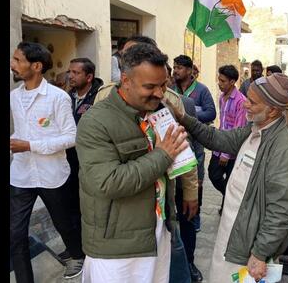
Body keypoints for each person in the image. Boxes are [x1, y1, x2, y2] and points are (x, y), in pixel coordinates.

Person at [167, 73, 288, 282]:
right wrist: (185, 119)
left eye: (252, 102)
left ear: (273, 110)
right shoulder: (254, 129)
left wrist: (259, 253)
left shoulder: (284, 147)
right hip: (231, 235)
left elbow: (282, 209)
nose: (245, 105)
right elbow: (217, 138)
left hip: (248, 247)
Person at [76, 43, 190, 283]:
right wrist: (163, 155)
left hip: (157, 231)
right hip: (118, 247)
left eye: (163, 84)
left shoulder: (159, 109)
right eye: (150, 86)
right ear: (125, 81)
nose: (160, 93)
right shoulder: (96, 122)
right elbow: (108, 182)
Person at [10, 42, 84, 282]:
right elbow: (21, 131)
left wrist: (30, 145)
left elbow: (71, 137)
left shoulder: (58, 98)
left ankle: (77, 255)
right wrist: (15, 141)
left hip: (52, 175)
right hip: (21, 174)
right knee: (15, 233)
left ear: (37, 66)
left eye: (17, 60)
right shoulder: (14, 97)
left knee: (63, 224)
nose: (12, 64)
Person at [172, 54, 215, 280]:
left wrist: (190, 113)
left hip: (189, 163)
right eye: (174, 67)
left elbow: (211, 113)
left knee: (188, 216)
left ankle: (189, 262)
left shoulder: (192, 97)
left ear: (191, 70)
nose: (176, 71)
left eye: (180, 68)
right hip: (156, 180)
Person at [56, 58, 103, 261]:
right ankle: (77, 248)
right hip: (68, 161)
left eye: (76, 72)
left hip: (91, 161)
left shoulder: (99, 98)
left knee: (90, 208)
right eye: (70, 72)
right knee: (70, 206)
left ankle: (93, 247)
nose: (70, 76)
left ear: (89, 76)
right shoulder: (67, 97)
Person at [208, 65, 247, 215]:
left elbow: (238, 131)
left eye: (223, 81)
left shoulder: (241, 102)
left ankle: (228, 207)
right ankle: (232, 200)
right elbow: (223, 124)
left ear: (232, 82)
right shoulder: (221, 98)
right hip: (219, 145)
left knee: (230, 181)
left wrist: (226, 154)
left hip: (232, 151)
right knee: (213, 175)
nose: (219, 83)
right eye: (219, 80)